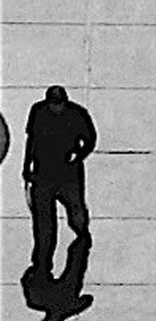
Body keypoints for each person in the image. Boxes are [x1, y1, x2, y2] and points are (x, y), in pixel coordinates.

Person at [22, 86, 97, 280]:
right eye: (53, 105)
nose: (56, 108)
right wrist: (26, 167)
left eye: (59, 104)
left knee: (76, 211)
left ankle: (82, 234)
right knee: (43, 221)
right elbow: (31, 140)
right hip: (43, 173)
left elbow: (90, 139)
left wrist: (78, 156)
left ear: (65, 101)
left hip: (68, 174)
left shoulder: (77, 114)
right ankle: (42, 260)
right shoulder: (38, 112)